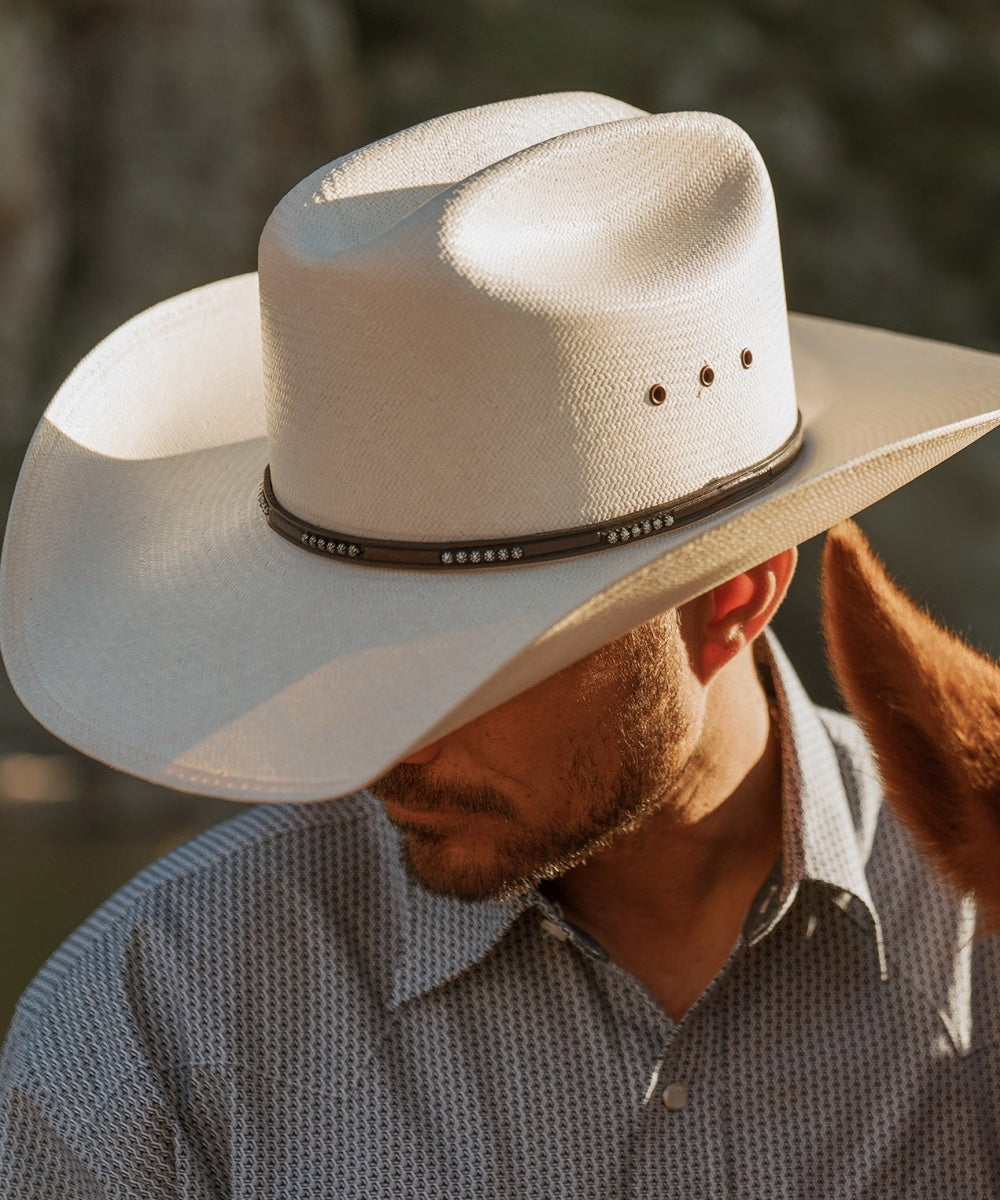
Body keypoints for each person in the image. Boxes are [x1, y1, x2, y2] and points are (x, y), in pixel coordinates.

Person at [1, 92, 999, 1197]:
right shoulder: (152, 1030)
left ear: (731, 601)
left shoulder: (982, 949)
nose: (382, 748)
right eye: (344, 645)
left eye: (472, 663)